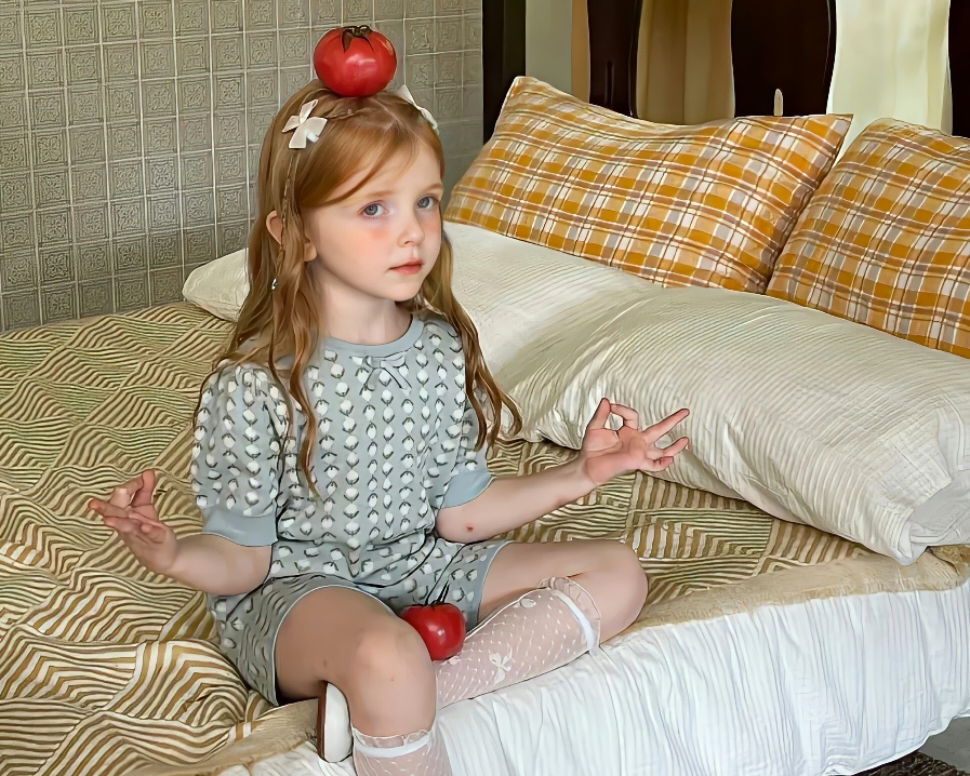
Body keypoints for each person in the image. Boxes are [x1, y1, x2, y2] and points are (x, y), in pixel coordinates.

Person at [89, 80, 689, 775]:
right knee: (388, 651)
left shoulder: (440, 348)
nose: (412, 231)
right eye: (374, 208)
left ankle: (414, 691)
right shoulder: (254, 384)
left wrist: (583, 473)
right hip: (299, 595)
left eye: (425, 201)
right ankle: (393, 680)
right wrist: (172, 554)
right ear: (296, 233)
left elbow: (462, 515)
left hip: (425, 569)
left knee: (618, 573)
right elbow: (243, 561)